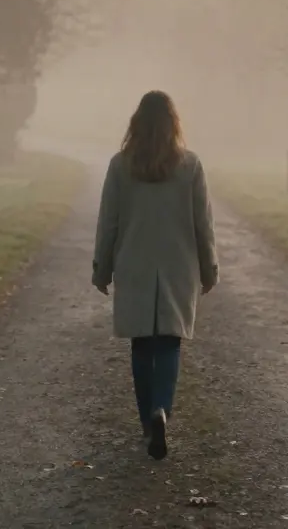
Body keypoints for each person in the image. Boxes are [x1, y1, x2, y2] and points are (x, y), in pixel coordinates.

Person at [91, 90, 219, 461]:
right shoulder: (190, 165)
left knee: (142, 344)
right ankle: (162, 408)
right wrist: (209, 268)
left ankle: (148, 424)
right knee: (169, 342)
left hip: (135, 264)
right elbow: (203, 224)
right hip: (177, 265)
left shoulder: (120, 165)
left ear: (137, 123)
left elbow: (109, 222)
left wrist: (101, 267)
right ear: (173, 124)